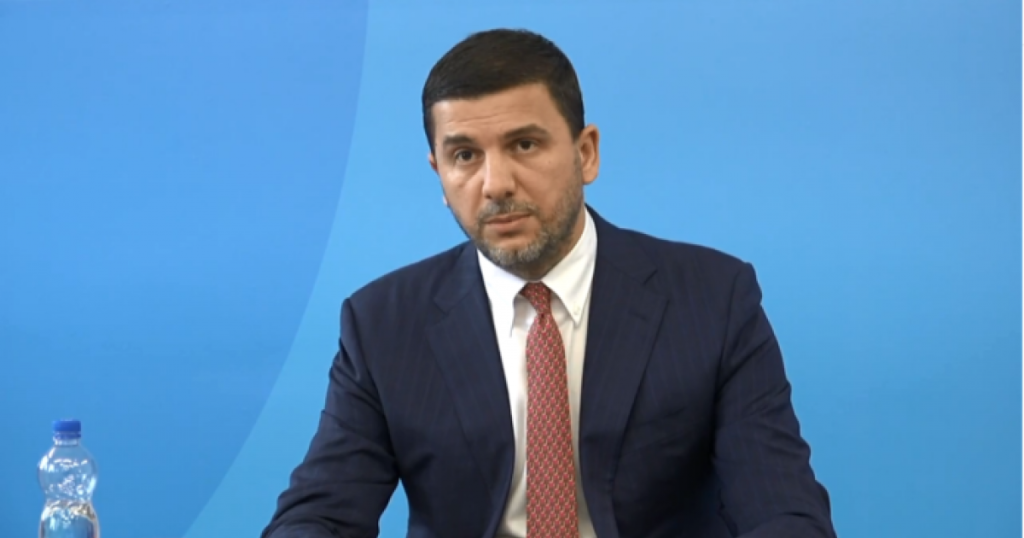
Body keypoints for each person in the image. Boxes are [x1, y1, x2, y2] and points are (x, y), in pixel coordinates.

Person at [261, 28, 837, 538]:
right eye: (465, 155)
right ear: (439, 172)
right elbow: (320, 516)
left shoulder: (713, 298)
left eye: (525, 145)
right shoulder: (383, 324)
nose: (496, 184)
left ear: (586, 154)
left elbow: (784, 512)